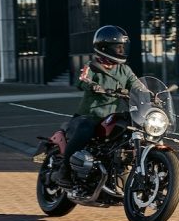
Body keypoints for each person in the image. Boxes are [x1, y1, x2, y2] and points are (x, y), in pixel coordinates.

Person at [55, 25, 141, 187]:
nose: (122, 50)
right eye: (118, 47)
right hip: (88, 117)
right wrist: (93, 85)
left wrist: (149, 94)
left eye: (123, 46)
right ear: (104, 47)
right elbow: (81, 79)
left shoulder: (125, 70)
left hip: (110, 118)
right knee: (85, 130)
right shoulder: (92, 65)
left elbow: (137, 85)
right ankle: (64, 171)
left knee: (131, 131)